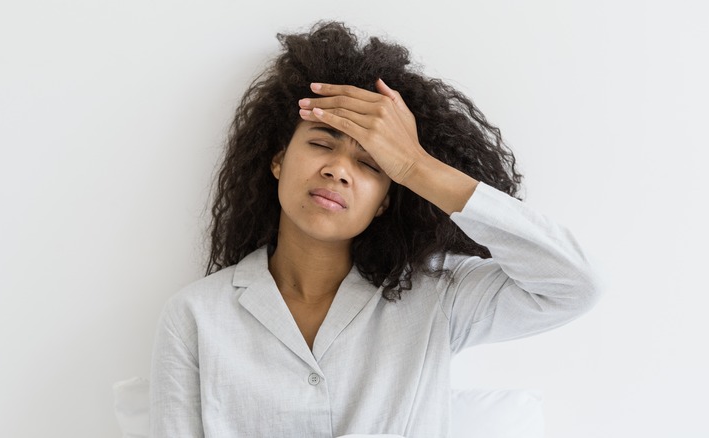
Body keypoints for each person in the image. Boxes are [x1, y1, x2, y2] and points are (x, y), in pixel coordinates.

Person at [149, 21, 601, 438]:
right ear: (278, 160)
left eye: (370, 164)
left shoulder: (436, 296)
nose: (338, 171)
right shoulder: (196, 317)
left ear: (387, 198)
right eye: (321, 143)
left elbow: (574, 286)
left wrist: (415, 164)